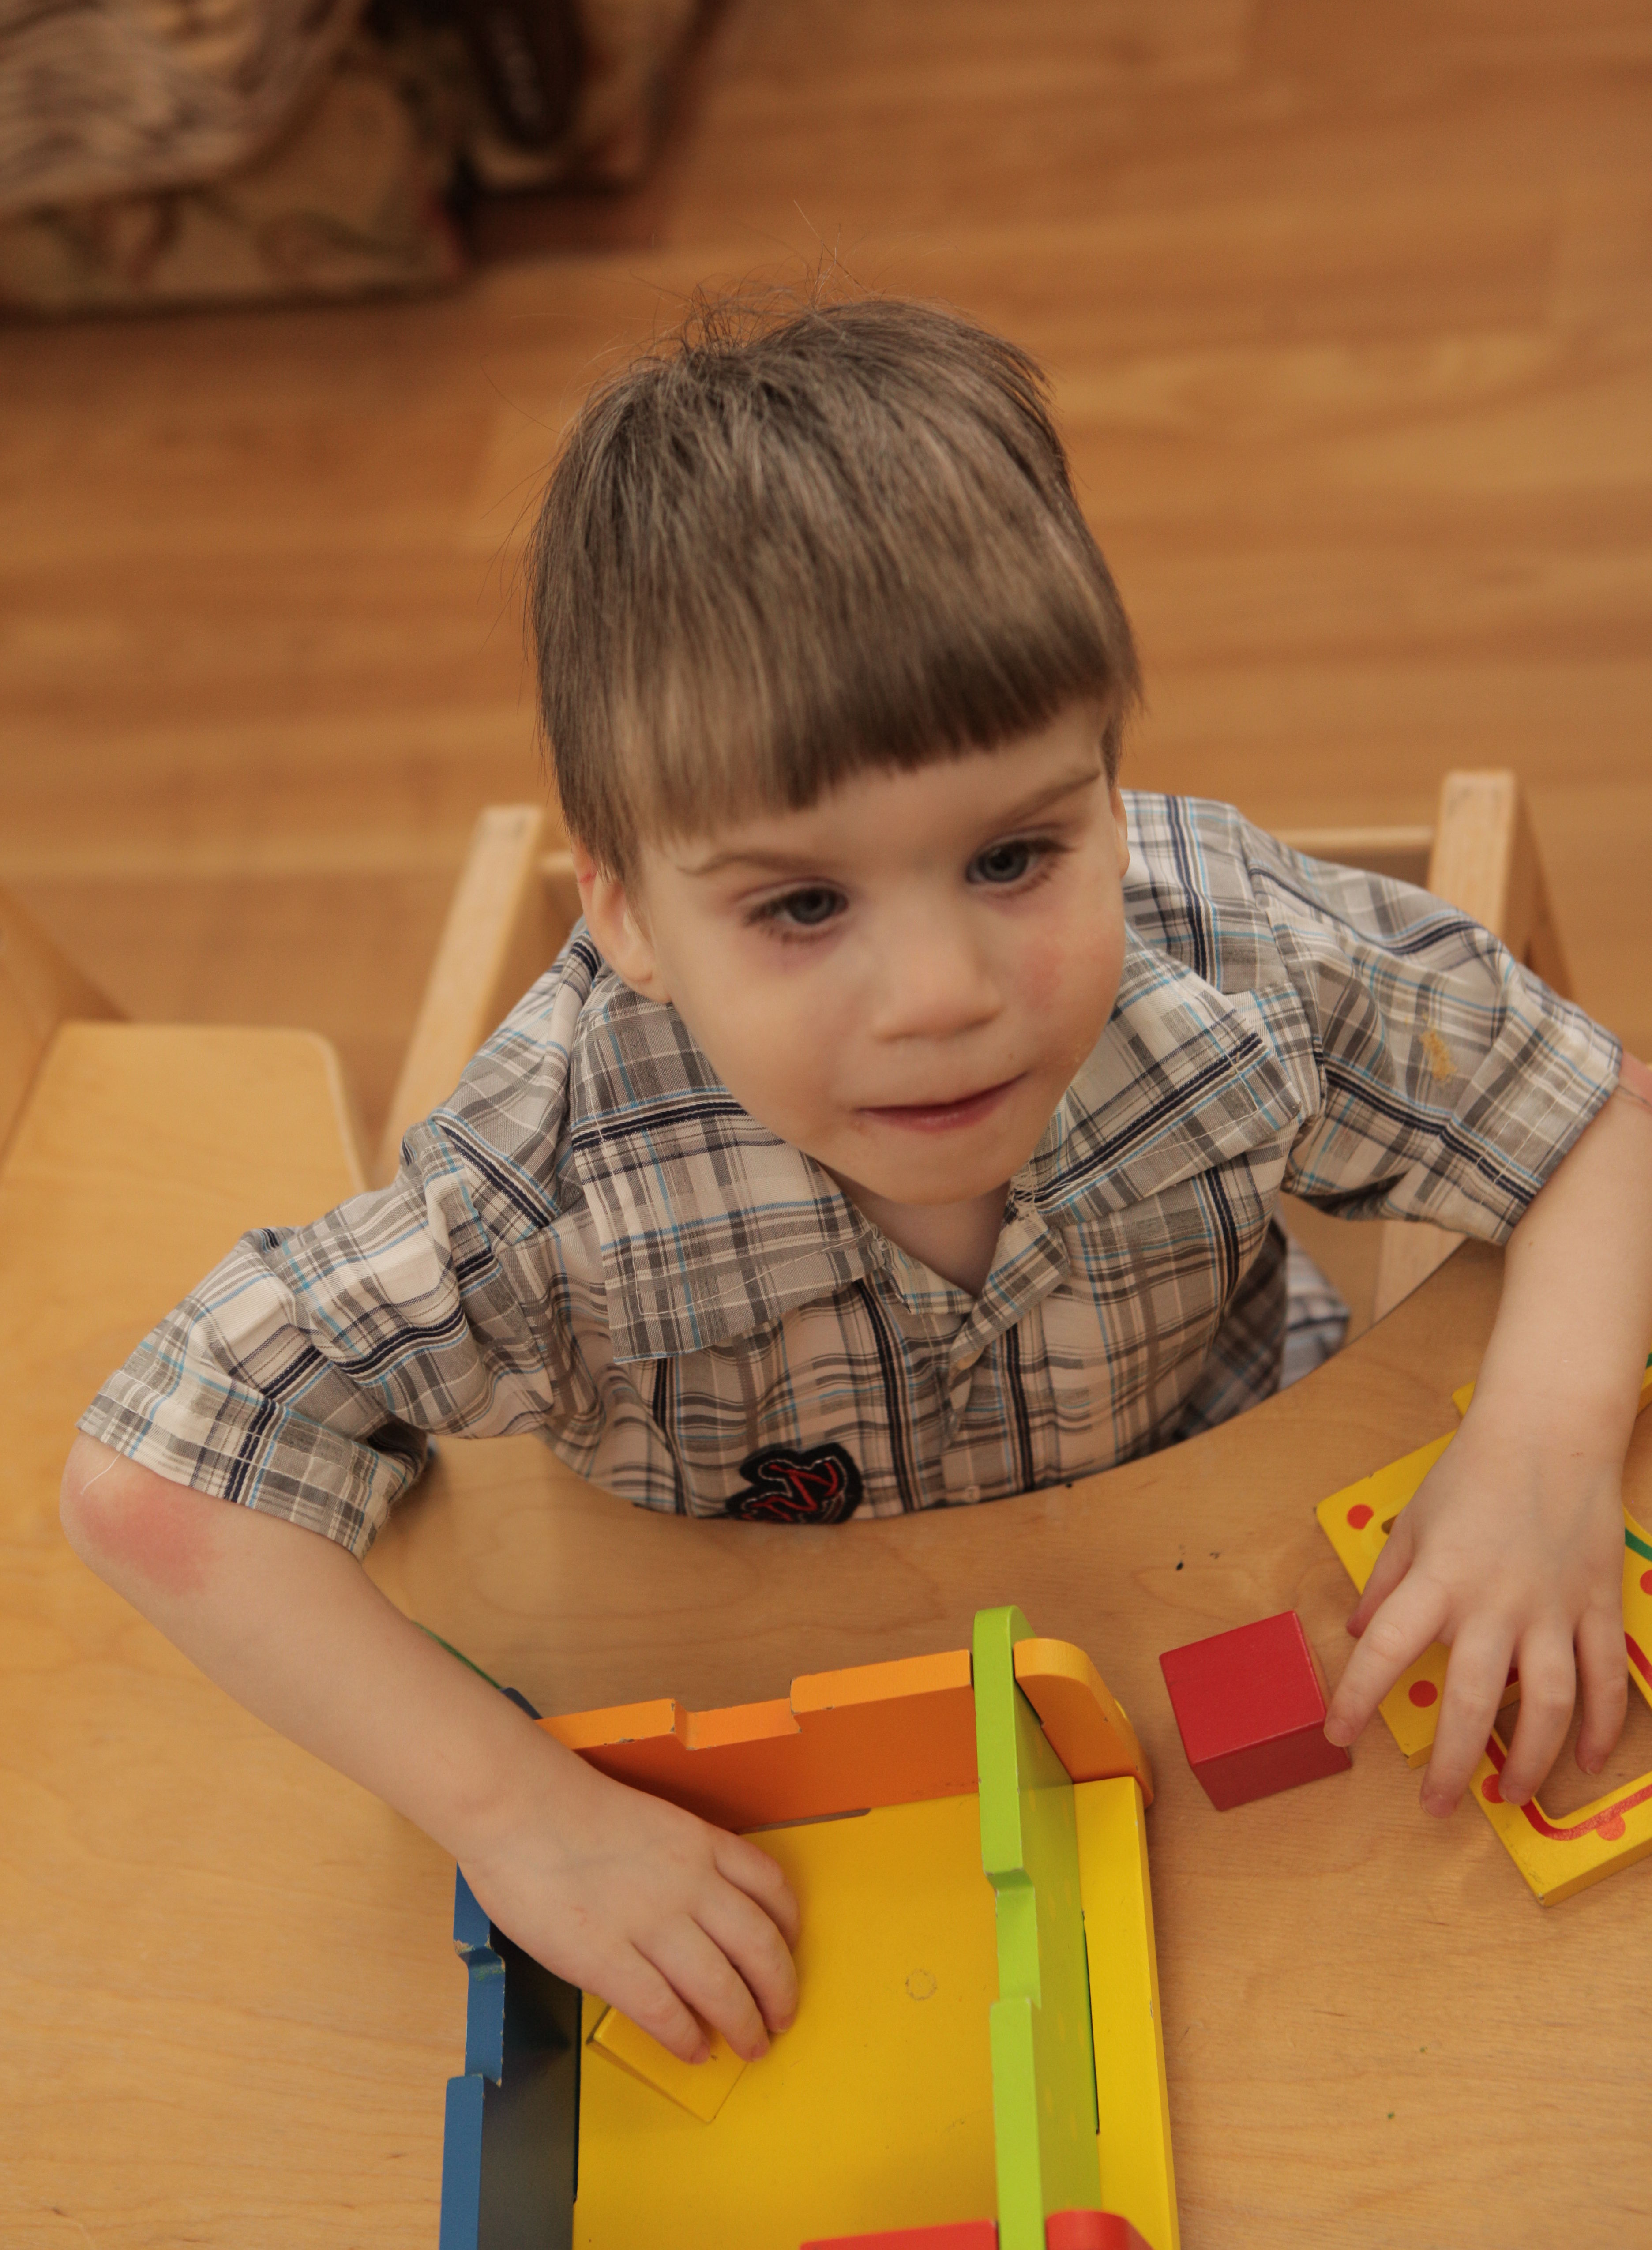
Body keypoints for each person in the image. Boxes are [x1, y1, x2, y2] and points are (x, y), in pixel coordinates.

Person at [60, 293, 1652, 2077]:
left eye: (1015, 855)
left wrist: (1541, 1455)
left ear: (1111, 793)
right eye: (804, 904)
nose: (943, 996)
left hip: (1230, 1594)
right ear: (624, 913)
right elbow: (155, 1482)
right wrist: (516, 1814)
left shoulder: (1237, 958)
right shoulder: (545, 1193)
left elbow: (1604, 1123)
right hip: (794, 1735)